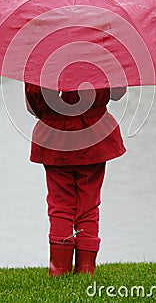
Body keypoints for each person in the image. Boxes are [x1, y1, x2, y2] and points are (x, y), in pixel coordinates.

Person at [24, 83, 126, 276]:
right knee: (89, 204)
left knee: (60, 204)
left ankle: (59, 269)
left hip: (55, 138)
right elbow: (118, 93)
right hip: (94, 136)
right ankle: (86, 269)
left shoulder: (39, 59)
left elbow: (32, 105)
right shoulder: (102, 55)